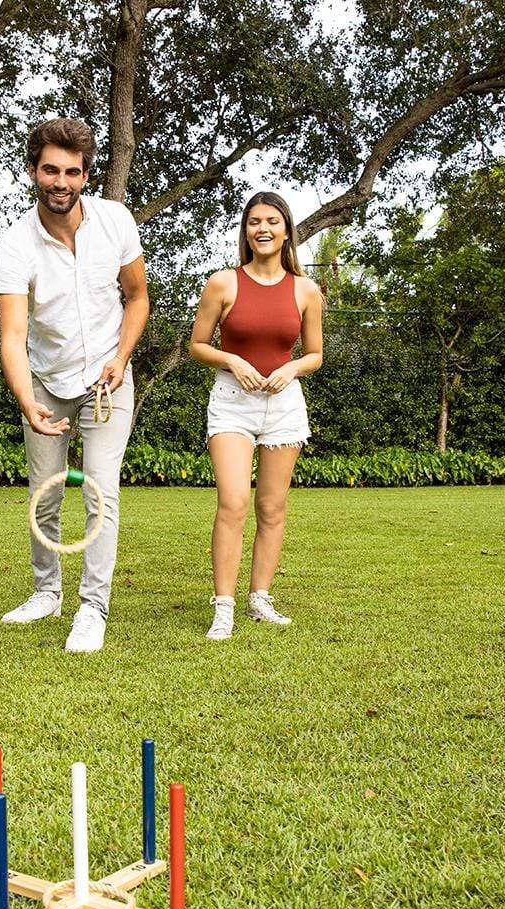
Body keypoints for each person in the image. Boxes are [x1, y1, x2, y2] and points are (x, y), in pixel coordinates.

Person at [0, 118, 149, 653]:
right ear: (34, 171)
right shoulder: (16, 245)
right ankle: (46, 593)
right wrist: (27, 401)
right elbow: (12, 336)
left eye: (72, 172)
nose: (61, 181)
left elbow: (138, 298)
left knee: (100, 490)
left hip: (108, 381)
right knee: (47, 494)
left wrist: (122, 358)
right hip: (46, 381)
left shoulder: (116, 222)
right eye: (51, 170)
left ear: (86, 176)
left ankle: (92, 606)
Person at [189, 191, 324, 640]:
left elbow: (316, 355)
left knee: (272, 507)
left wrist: (291, 367)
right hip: (232, 402)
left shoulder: (306, 290)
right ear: (245, 231)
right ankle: (223, 606)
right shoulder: (223, 283)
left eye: (271, 221)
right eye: (253, 222)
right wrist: (233, 361)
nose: (261, 229)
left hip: (284, 404)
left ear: (286, 230)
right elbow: (198, 345)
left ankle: (259, 598)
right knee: (234, 502)